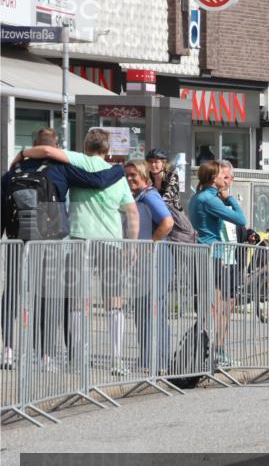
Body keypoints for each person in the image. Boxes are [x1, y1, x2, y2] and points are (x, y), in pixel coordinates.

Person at [18, 128, 139, 375]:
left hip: (79, 241)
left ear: (85, 147)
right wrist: (132, 244)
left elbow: (48, 150)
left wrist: (21, 155)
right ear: (107, 150)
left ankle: (78, 358)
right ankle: (117, 359)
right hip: (111, 242)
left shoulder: (77, 160)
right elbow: (132, 213)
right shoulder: (116, 176)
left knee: (76, 301)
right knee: (114, 301)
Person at [187, 160, 246, 367]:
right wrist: (230, 198)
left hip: (210, 253)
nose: (226, 180)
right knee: (215, 305)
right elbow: (240, 219)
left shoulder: (199, 196)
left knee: (215, 305)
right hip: (212, 254)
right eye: (222, 176)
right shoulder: (209, 199)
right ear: (213, 178)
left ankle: (210, 351)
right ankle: (209, 353)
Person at [124, 159, 174, 371]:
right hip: (145, 261)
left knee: (153, 310)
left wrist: (150, 244)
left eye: (133, 175)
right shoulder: (138, 196)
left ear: (144, 175)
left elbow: (167, 222)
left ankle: (158, 359)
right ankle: (149, 357)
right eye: (127, 175)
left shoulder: (150, 196)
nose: (129, 178)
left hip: (156, 259)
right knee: (143, 310)